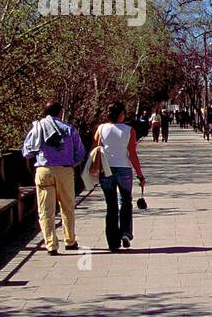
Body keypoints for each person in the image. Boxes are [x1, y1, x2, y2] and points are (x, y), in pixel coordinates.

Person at [21, 101, 87, 255]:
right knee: (67, 207)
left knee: (46, 210)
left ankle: (51, 245)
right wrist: (72, 163)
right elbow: (80, 152)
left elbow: (26, 152)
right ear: (60, 113)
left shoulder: (37, 128)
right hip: (65, 171)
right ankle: (70, 240)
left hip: (44, 170)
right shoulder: (69, 129)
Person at [94, 102, 147, 252]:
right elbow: (132, 153)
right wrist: (140, 175)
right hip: (124, 169)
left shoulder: (101, 129)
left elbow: (95, 148)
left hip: (106, 170)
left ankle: (112, 242)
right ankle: (125, 232)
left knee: (111, 206)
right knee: (126, 202)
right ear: (121, 114)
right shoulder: (129, 130)